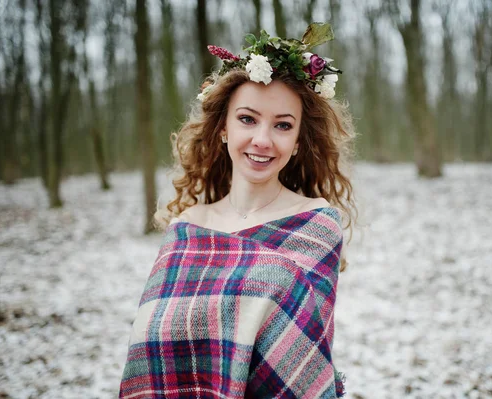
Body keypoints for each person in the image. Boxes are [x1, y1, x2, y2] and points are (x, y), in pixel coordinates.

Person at [119, 23, 356, 399]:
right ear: (224, 129)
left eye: (282, 125)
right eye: (247, 119)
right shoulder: (185, 229)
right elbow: (151, 349)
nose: (262, 140)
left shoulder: (314, 226)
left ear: (296, 143)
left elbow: (303, 360)